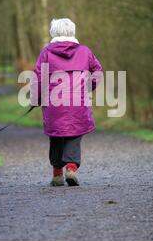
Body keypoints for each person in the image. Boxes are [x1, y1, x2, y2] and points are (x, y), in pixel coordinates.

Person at [31, 18, 103, 186]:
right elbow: (97, 71)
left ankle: (57, 174)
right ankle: (71, 168)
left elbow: (38, 78)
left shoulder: (46, 52)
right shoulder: (85, 51)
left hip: (54, 104)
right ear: (72, 31)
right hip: (78, 102)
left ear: (53, 32)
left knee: (56, 135)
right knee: (75, 133)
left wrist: (36, 99)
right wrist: (88, 86)